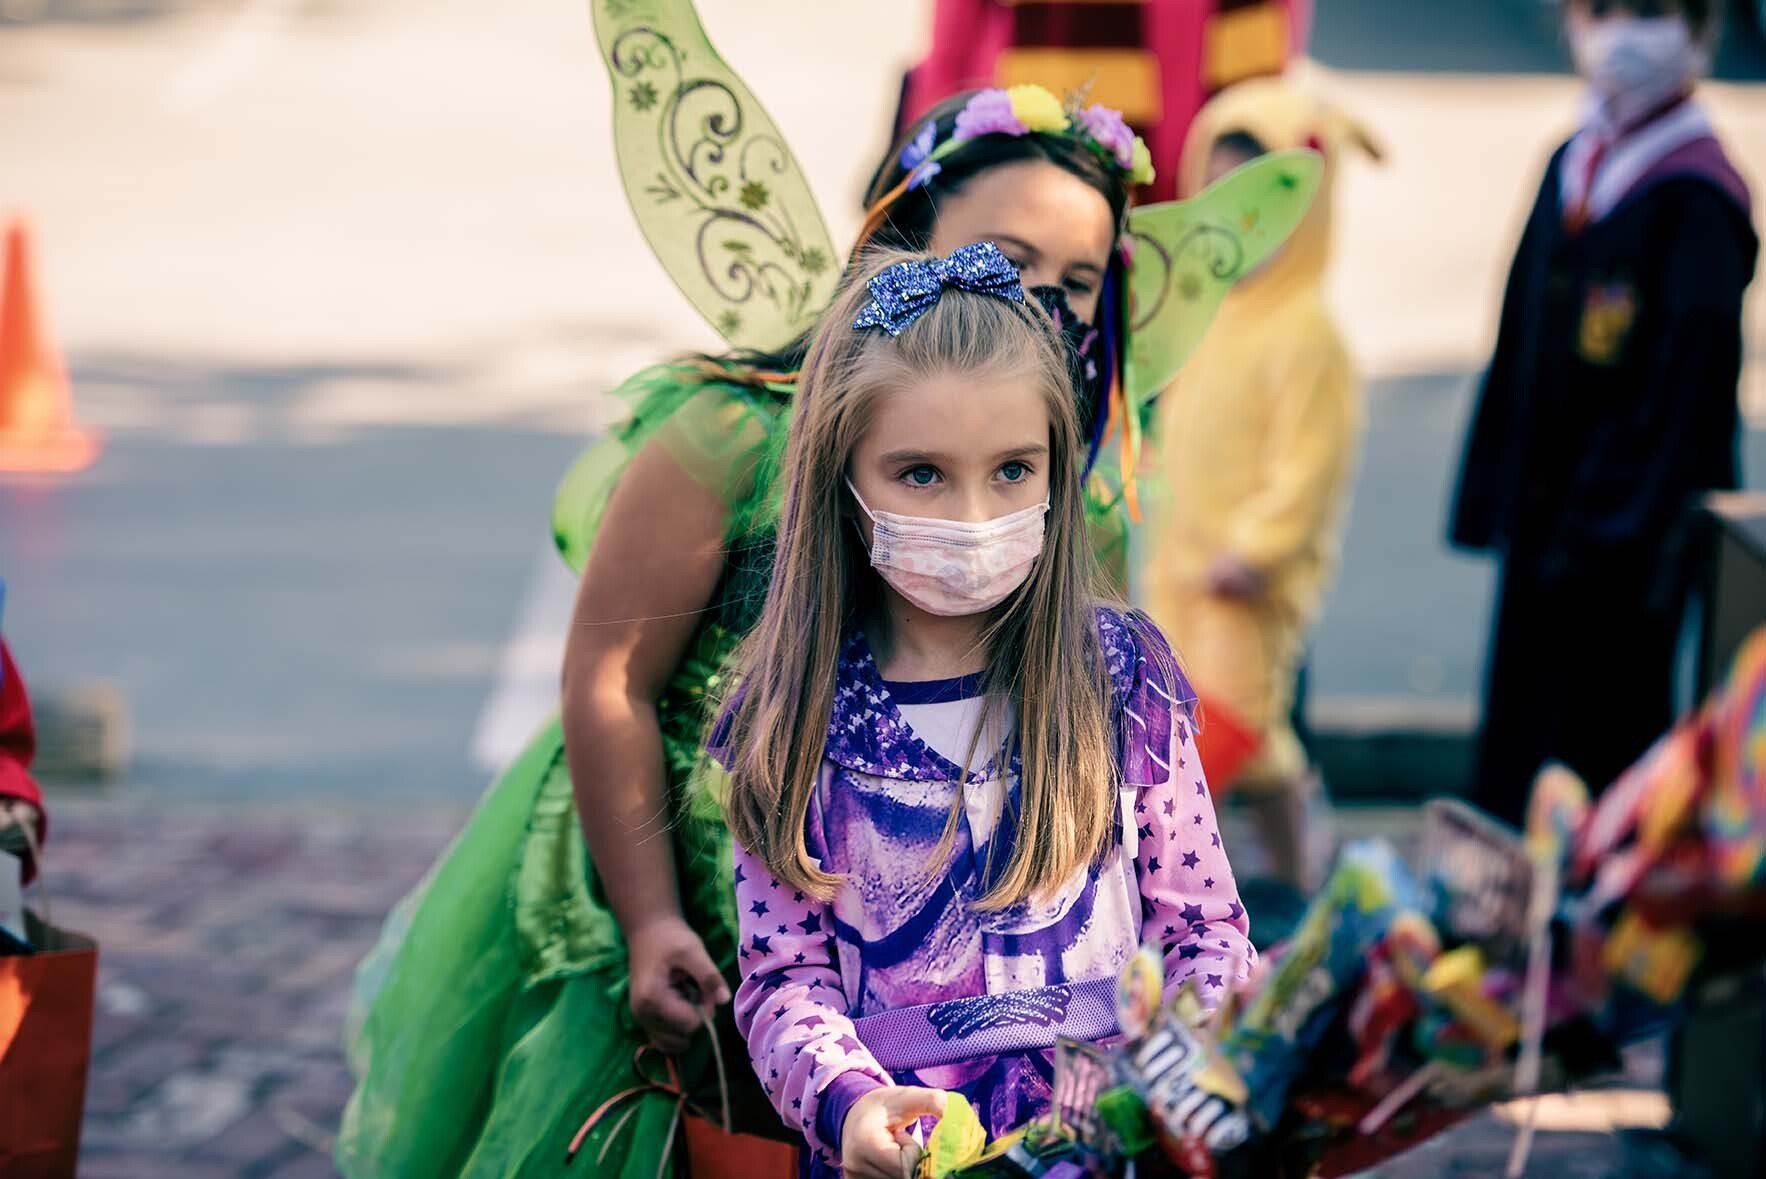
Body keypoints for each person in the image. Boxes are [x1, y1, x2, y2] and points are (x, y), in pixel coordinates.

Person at [337, 82, 1163, 1179]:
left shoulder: (1072, 486)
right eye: (1006, 266)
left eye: (1075, 284)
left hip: (937, 964)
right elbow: (610, 678)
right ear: (900, 239)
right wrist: (646, 922)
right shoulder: (736, 431)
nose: (1041, 310)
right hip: (707, 926)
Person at [716, 244, 1252, 1177]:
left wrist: (1201, 1056)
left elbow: (1202, 926)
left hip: (1118, 1134)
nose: (972, 515)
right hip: (910, 1152)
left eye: (1012, 469)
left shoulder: (1118, 679)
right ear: (841, 480)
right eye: (920, 473)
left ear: (1057, 464)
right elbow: (784, 975)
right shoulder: (799, 717)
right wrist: (849, 1103)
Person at [1449, 0, 1757, 826]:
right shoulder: (1575, 158)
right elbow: (1518, 336)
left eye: (1650, 11)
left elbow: (1684, 400)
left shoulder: (1698, 196)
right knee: (1520, 754)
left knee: (1602, 763)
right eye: (1602, 9)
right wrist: (1495, 496)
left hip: (1626, 549)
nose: (1622, 32)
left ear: (1698, 32)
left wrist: (1606, 532)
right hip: (1545, 530)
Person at [1143, 78, 1377, 890]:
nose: (1239, 222)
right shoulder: (1215, 310)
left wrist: (1260, 546)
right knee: (1248, 730)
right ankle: (1297, 867)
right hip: (1183, 560)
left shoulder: (1308, 334)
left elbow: (1310, 465)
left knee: (1225, 725)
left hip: (1244, 576)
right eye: (1219, 194)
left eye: (1262, 203)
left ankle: (1177, 882)